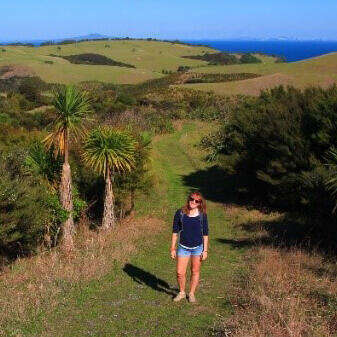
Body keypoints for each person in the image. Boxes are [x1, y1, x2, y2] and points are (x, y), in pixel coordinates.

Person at [170, 191, 209, 303]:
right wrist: (172, 248)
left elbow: (205, 233)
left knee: (195, 271)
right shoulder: (180, 213)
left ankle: (191, 293)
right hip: (183, 247)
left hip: (197, 247)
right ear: (189, 199)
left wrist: (205, 250)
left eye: (197, 201)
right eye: (192, 199)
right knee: (180, 272)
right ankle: (182, 292)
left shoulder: (202, 215)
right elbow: (175, 231)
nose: (193, 202)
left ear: (200, 203)